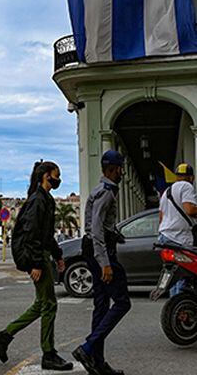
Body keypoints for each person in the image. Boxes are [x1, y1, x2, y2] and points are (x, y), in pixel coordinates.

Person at [0, 161, 73, 372]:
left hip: (43, 255)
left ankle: (5, 335)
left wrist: (58, 254)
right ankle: (48, 353)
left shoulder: (45, 199)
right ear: (46, 175)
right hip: (38, 258)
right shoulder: (38, 200)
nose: (58, 179)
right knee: (49, 305)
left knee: (41, 304)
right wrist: (36, 263)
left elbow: (46, 234)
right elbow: (31, 234)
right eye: (56, 175)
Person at [72, 150, 131, 375]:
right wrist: (105, 262)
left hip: (96, 247)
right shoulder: (106, 193)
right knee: (123, 302)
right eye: (121, 168)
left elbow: (101, 226)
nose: (122, 172)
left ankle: (97, 362)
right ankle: (88, 348)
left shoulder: (103, 190)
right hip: (100, 250)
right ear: (114, 169)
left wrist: (115, 233)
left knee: (101, 304)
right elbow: (96, 230)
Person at [158, 162, 197, 295]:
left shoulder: (166, 192)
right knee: (183, 275)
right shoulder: (187, 187)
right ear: (191, 178)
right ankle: (181, 312)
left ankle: (173, 309)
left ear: (177, 177)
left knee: (172, 276)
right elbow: (190, 209)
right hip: (179, 238)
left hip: (165, 237)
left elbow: (161, 217)